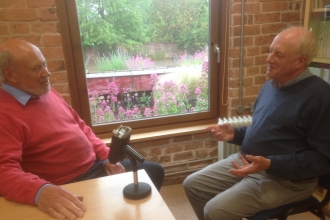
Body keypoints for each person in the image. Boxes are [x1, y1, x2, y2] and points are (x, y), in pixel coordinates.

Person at [0, 39, 164, 220]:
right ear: (11, 75)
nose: (46, 73)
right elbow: (4, 170)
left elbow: (80, 127)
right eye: (36, 68)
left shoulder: (44, 92)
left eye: (44, 64)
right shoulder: (4, 112)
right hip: (68, 183)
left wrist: (105, 157)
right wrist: (40, 191)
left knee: (153, 171)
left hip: (96, 166)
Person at [183, 26, 330, 220]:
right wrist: (235, 135)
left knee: (215, 210)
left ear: (300, 62)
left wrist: (270, 164)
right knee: (193, 184)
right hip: (250, 161)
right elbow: (266, 131)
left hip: (288, 181)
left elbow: (321, 160)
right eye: (270, 51)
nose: (269, 58)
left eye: (278, 54)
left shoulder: (322, 97)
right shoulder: (271, 86)